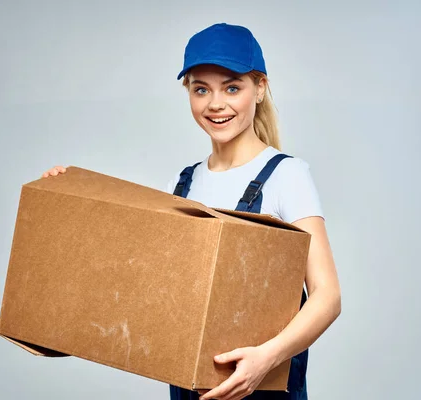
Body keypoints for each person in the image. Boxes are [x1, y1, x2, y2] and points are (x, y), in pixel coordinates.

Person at [43, 22, 341, 400]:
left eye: (232, 87)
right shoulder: (181, 186)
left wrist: (266, 359)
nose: (215, 104)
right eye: (201, 89)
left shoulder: (287, 175)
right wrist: (66, 196)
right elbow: (136, 291)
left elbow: (327, 296)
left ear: (260, 89)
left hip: (261, 390)